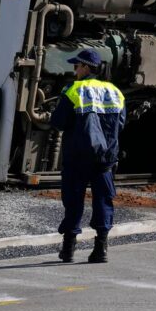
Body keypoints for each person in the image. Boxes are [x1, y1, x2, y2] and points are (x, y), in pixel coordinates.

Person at [51, 48, 126, 263]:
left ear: (85, 67)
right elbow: (121, 124)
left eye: (76, 66)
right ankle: (100, 249)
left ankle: (68, 249)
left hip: (77, 157)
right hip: (105, 158)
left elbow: (58, 122)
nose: (74, 70)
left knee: (74, 200)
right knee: (103, 200)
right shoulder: (115, 91)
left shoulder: (74, 90)